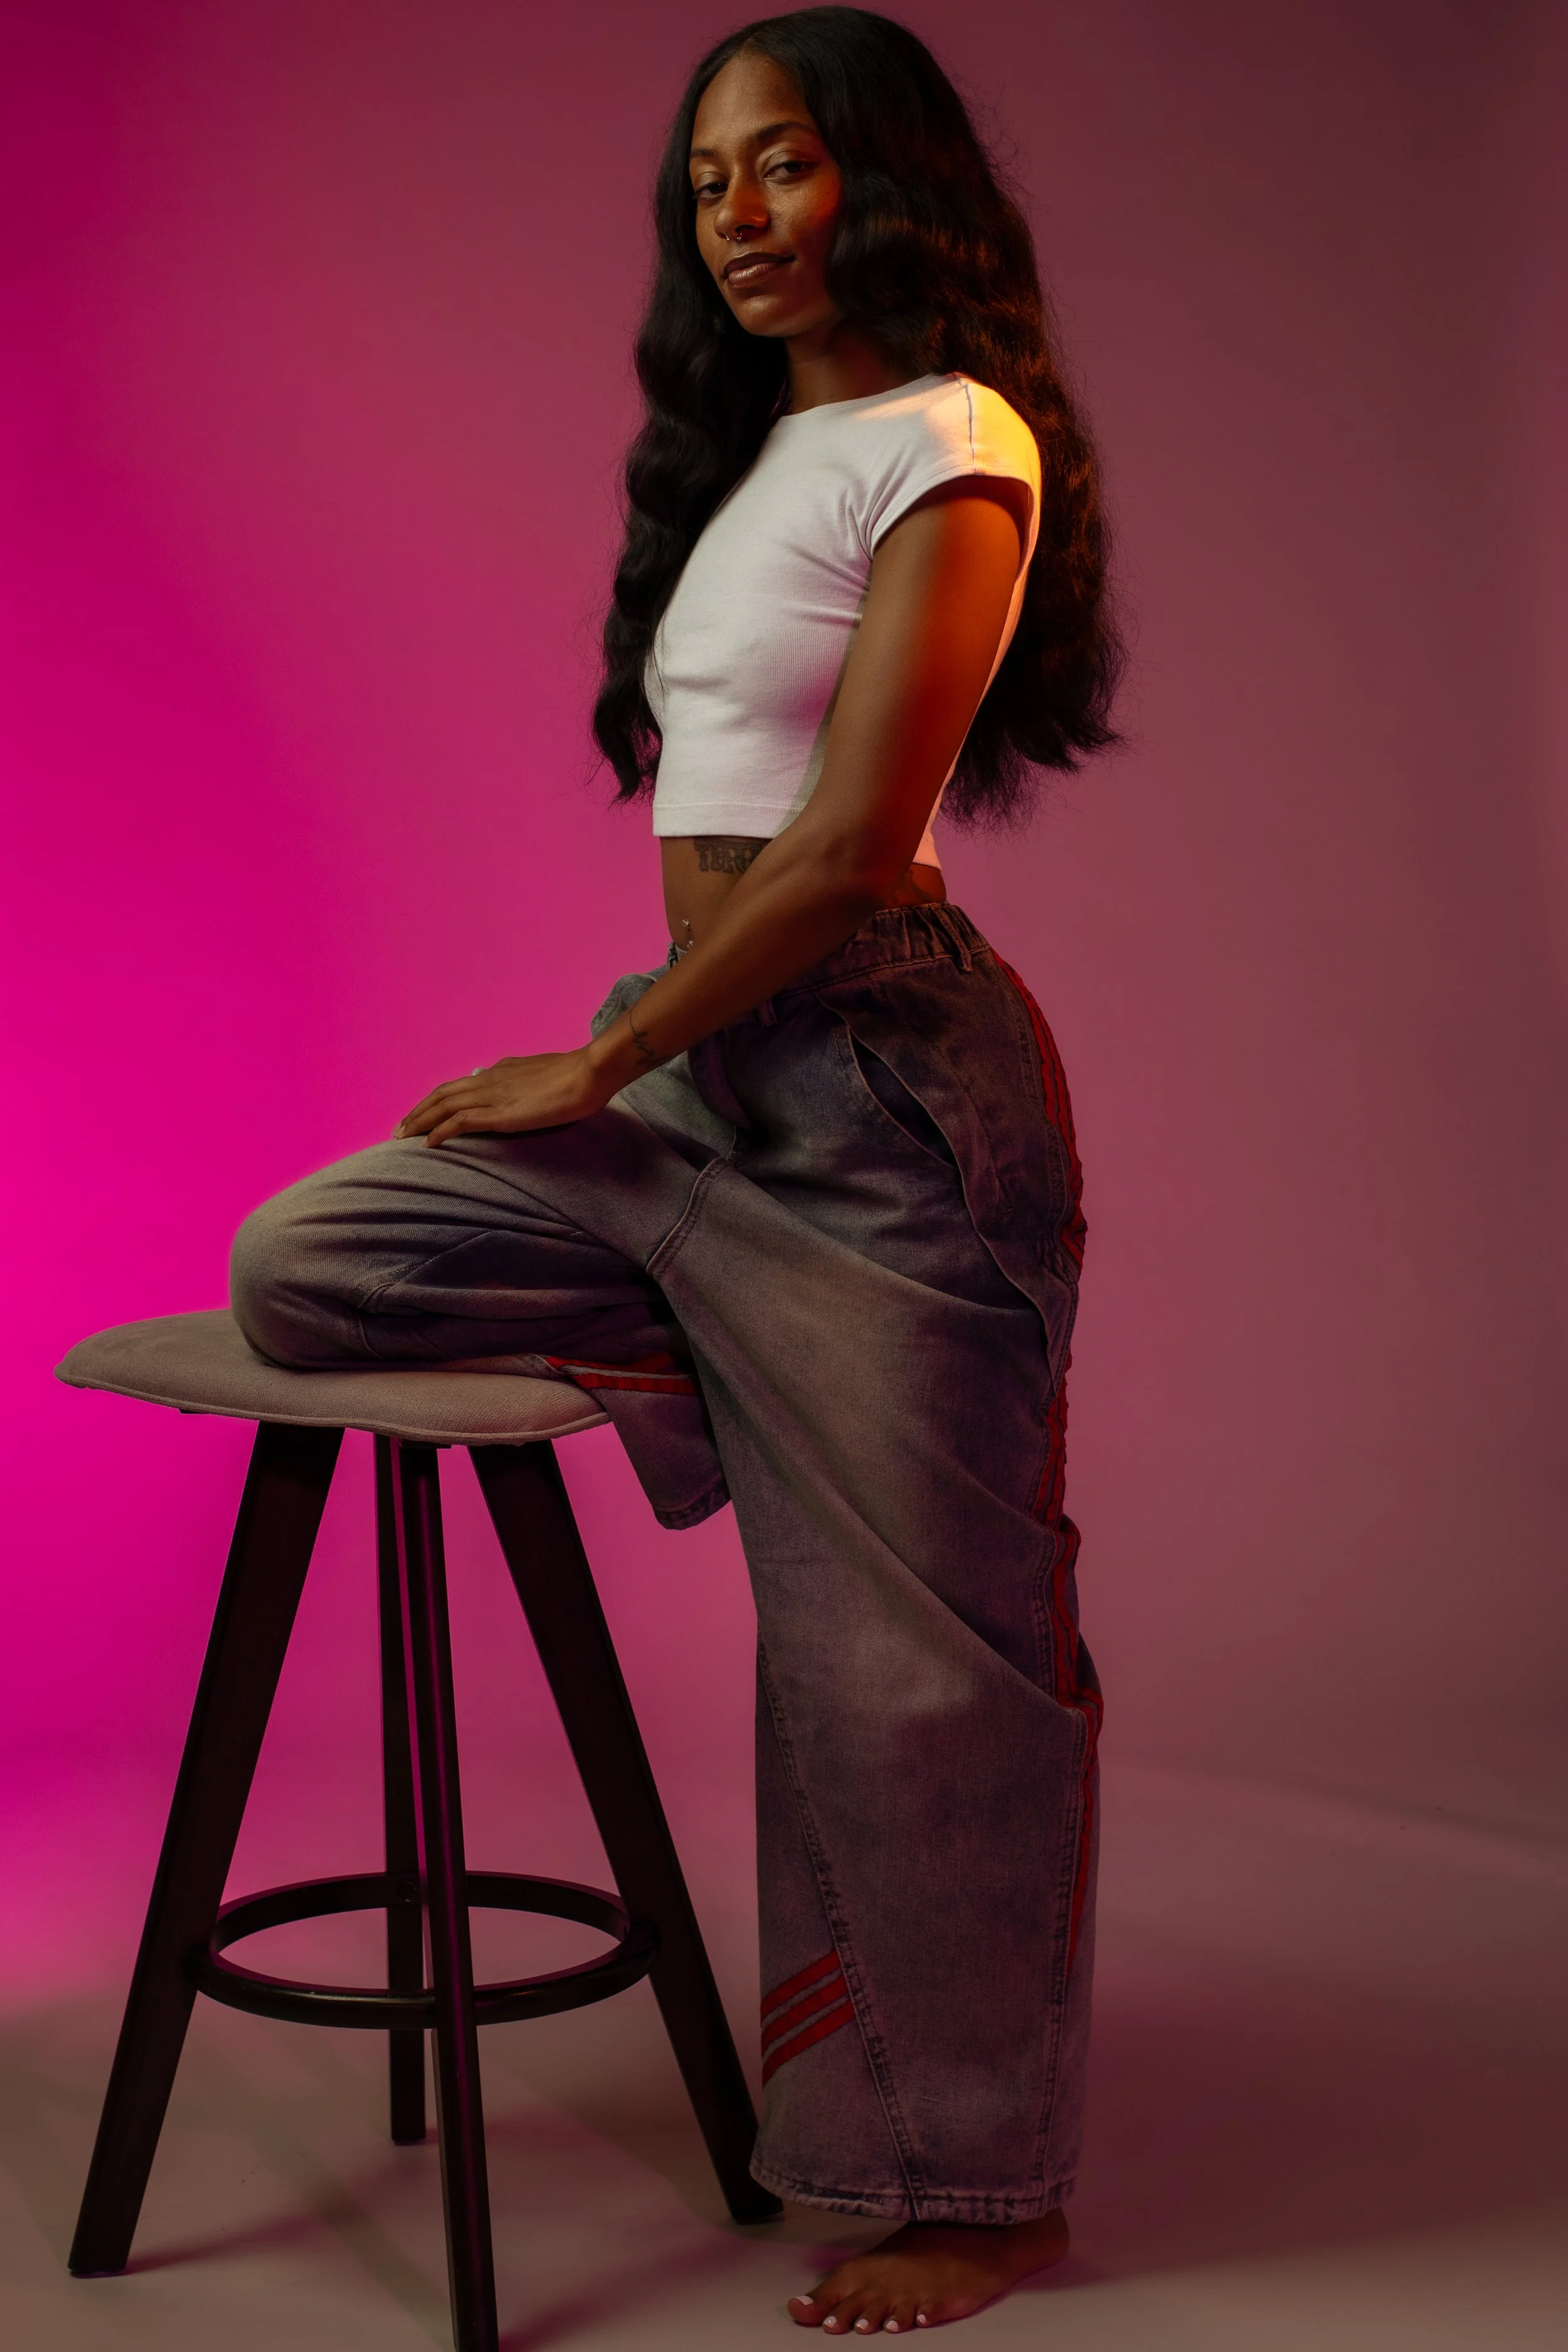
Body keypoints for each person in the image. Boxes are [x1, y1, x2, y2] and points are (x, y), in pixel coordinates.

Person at [231, 6, 1120, 2332]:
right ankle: (729, 1357)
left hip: (882, 1102)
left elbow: (843, 845)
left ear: (886, 178)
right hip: (714, 1092)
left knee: (924, 1671)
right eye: (708, 177)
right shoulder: (764, 455)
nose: (737, 213)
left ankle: (976, 2185)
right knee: (311, 1261)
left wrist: (603, 1050)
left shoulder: (952, 441)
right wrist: (640, 1071)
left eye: (784, 163)